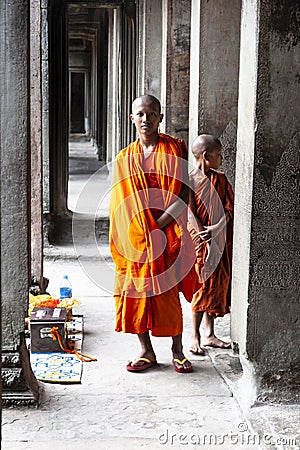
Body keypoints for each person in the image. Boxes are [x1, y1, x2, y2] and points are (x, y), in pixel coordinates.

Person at [109, 94, 197, 373]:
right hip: (136, 238)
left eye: (152, 113)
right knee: (136, 293)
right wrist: (139, 231)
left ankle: (178, 350)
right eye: (141, 114)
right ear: (131, 118)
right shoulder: (124, 159)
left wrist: (159, 224)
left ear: (160, 117)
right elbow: (120, 205)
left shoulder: (175, 149)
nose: (146, 119)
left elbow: (184, 191)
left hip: (167, 232)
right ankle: (146, 350)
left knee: (167, 292)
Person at [187, 134, 234, 355]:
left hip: (218, 237)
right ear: (206, 156)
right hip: (199, 240)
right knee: (202, 286)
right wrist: (202, 235)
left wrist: (216, 228)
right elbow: (189, 212)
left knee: (216, 285)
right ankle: (195, 336)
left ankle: (209, 333)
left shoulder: (221, 179)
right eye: (218, 155)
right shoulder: (189, 180)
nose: (221, 159)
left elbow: (228, 209)